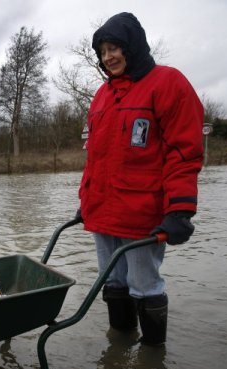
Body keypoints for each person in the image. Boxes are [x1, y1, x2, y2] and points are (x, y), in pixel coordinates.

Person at [77, 12, 204, 346]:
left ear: (133, 46)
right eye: (103, 51)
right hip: (103, 213)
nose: (109, 57)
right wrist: (85, 203)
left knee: (144, 285)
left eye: (115, 47)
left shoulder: (168, 83)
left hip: (142, 215)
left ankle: (152, 358)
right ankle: (119, 346)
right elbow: (96, 158)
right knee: (113, 282)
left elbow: (183, 152)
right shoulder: (101, 96)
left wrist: (180, 208)